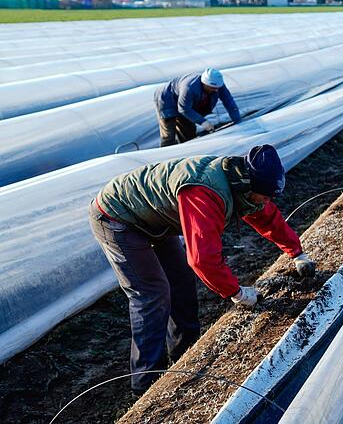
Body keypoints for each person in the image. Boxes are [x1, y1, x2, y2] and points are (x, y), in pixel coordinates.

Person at [89, 144, 316, 396]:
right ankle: (145, 384)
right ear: (247, 184)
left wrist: (297, 253)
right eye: (264, 195)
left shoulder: (245, 184)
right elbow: (202, 259)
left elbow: (266, 215)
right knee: (152, 293)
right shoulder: (206, 192)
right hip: (117, 216)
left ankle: (184, 353)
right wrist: (237, 293)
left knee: (181, 281)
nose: (267, 201)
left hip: (155, 217)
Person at [155, 68, 242, 147]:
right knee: (169, 134)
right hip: (166, 100)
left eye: (217, 88)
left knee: (189, 132)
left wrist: (237, 120)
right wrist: (203, 122)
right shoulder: (190, 87)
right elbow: (184, 109)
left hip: (185, 103)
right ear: (204, 84)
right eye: (212, 88)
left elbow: (229, 101)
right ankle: (165, 156)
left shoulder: (218, 86)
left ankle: (186, 152)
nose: (216, 90)